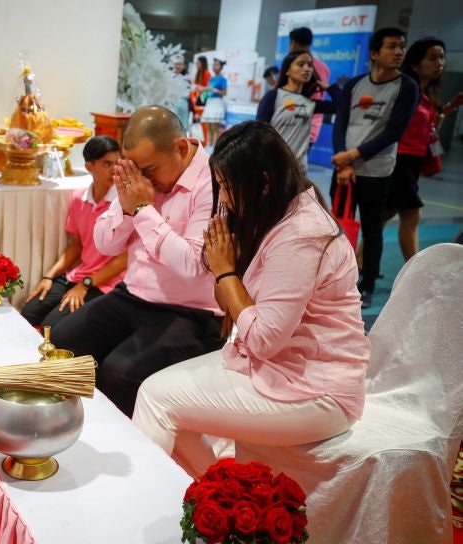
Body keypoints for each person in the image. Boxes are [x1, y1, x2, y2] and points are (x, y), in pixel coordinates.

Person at [132, 121, 370, 479]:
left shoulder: (301, 235)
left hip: (317, 389)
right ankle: (219, 501)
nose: (223, 198)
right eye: (220, 187)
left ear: (264, 181)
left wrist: (226, 271)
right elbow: (227, 298)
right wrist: (223, 270)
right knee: (157, 395)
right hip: (274, 363)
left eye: (228, 187)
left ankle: (171, 506)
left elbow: (263, 340)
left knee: (156, 398)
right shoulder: (268, 211)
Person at [50, 106, 223, 417]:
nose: (145, 179)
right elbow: (106, 241)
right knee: (63, 340)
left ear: (181, 148)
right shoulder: (143, 176)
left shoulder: (212, 183)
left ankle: (127, 448)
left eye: (151, 169)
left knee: (120, 373)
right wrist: (128, 208)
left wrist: (143, 208)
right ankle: (73, 428)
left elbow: (191, 267)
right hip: (131, 295)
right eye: (136, 169)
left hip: (190, 310)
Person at [331, 27, 417, 308]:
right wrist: (342, 160)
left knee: (372, 228)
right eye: (391, 46)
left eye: (401, 47)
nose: (398, 52)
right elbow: (340, 123)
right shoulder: (355, 84)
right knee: (336, 226)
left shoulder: (406, 87)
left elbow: (394, 131)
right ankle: (331, 277)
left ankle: (366, 283)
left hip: (376, 170)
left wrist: (351, 155)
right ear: (374, 53)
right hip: (345, 170)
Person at [21, 136, 127, 329]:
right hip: (79, 275)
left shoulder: (123, 202)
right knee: (28, 313)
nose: (114, 169)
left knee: (50, 327)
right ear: (89, 167)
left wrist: (86, 284)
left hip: (106, 282)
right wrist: (48, 276)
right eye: (106, 164)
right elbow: (76, 246)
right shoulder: (79, 199)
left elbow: (125, 259)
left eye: (117, 163)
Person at [386, 37, 463, 261]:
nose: (439, 62)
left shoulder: (426, 95)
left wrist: (451, 107)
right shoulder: (405, 91)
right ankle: (416, 269)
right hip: (400, 159)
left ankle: (361, 259)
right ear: (415, 64)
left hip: (415, 161)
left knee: (387, 213)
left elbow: (429, 124)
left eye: (442, 57)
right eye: (432, 58)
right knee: (412, 214)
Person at [256, 51, 337, 171]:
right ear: (287, 71)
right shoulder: (273, 96)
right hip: (274, 170)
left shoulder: (310, 103)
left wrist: (330, 88)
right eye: (301, 64)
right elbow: (259, 133)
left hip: (300, 172)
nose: (307, 68)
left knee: (311, 191)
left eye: (309, 65)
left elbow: (342, 105)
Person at [289, 26, 331, 144]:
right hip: (311, 128)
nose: (306, 70)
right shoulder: (324, 67)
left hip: (291, 125)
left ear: (293, 43)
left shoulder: (291, 64)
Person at [200, 59, 228, 148]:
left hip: (217, 103)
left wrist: (215, 90)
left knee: (215, 128)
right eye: (214, 65)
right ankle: (208, 146)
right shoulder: (211, 78)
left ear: (221, 67)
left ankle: (215, 148)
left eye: (217, 65)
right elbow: (208, 89)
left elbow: (224, 93)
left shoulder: (223, 79)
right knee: (208, 127)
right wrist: (204, 90)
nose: (214, 67)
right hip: (209, 103)